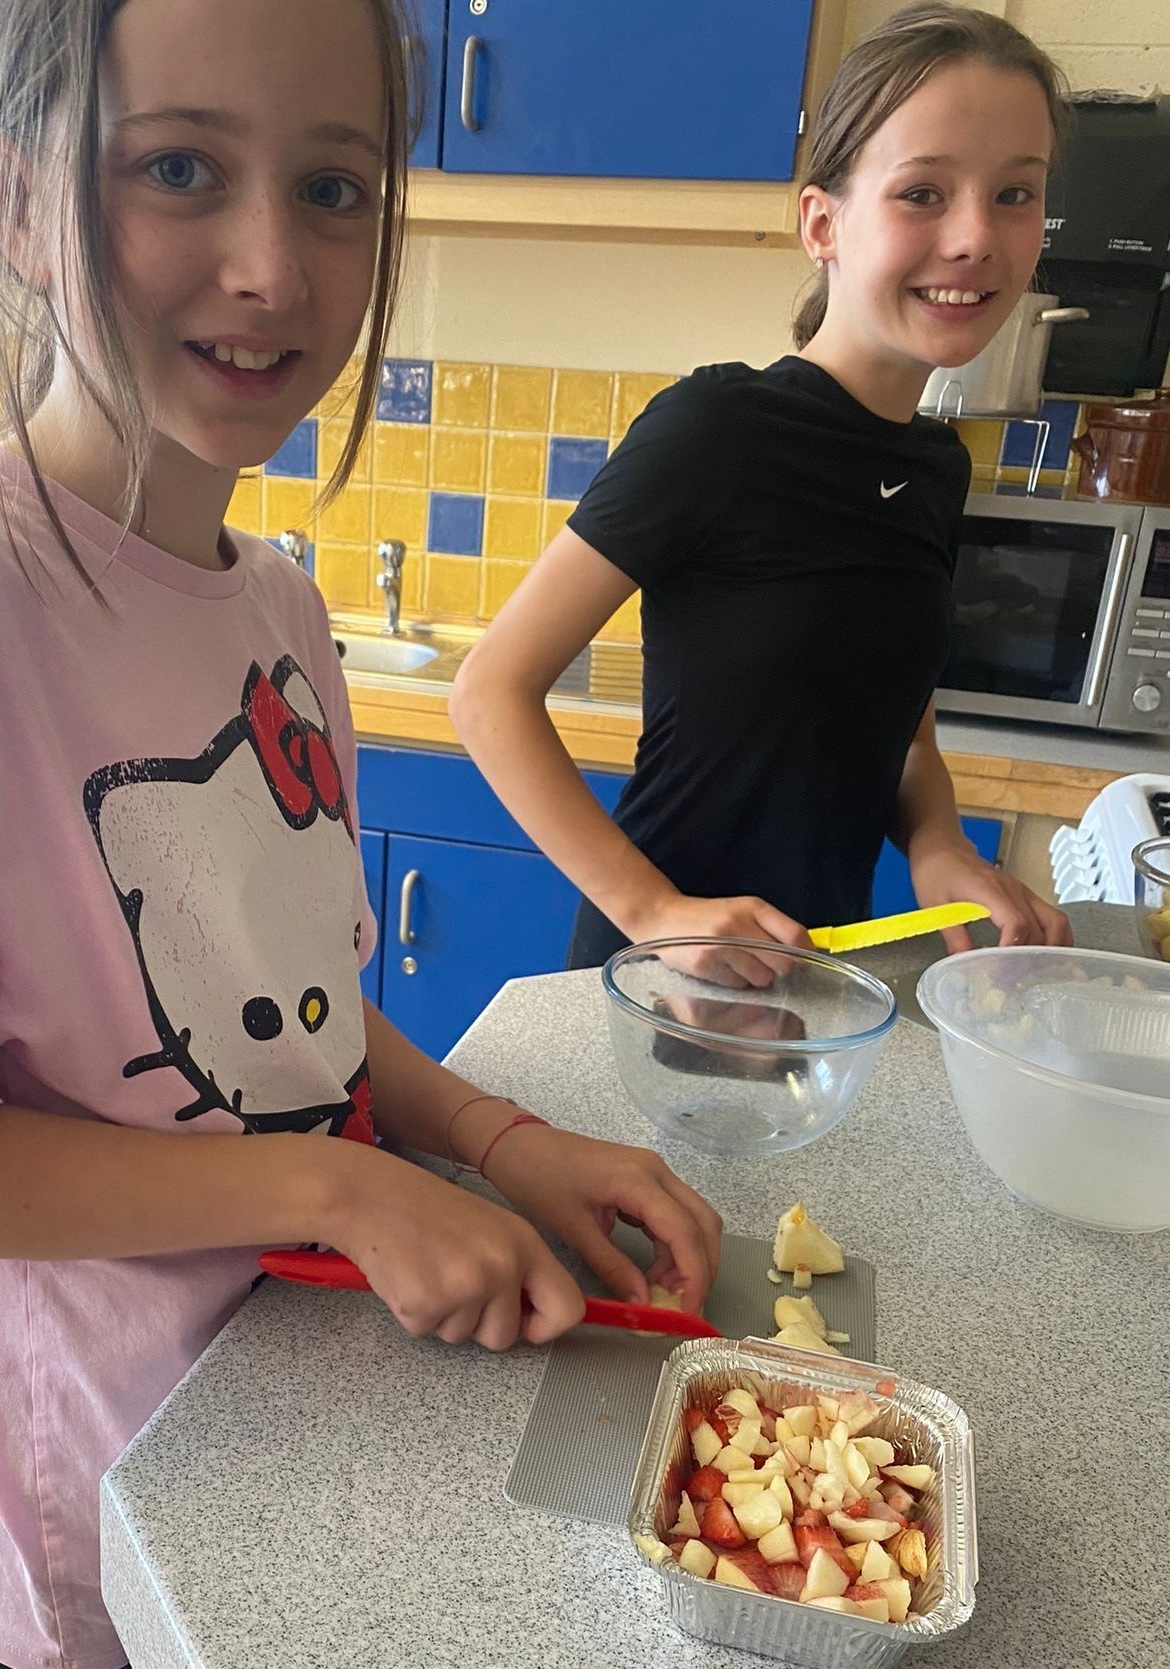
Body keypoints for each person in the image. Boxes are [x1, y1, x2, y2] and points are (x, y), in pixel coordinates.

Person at [0, 2, 721, 1669]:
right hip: (60, 1486)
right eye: (178, 166)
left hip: (234, 1424)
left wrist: (488, 1140)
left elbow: (280, 1008)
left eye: (334, 187)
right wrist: (333, 1193)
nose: (272, 263)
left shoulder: (278, 604)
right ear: (19, 193)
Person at [450, 2, 1074, 975]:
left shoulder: (937, 469)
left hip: (822, 980)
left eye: (1016, 195)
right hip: (661, 987)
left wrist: (938, 839)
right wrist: (654, 909)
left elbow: (898, 730)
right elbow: (489, 691)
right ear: (822, 223)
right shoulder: (719, 430)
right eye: (922, 193)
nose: (973, 237)